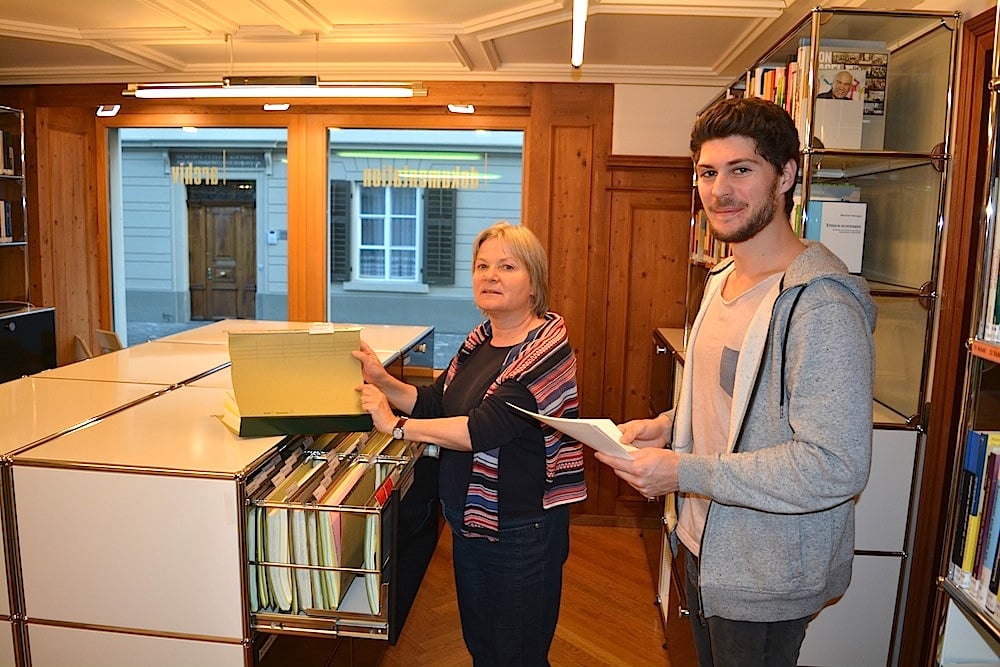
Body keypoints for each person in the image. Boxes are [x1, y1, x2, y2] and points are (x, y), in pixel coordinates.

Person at [596, 96, 876, 667]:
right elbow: (736, 404)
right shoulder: (721, 278)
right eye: (707, 172)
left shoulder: (820, 304)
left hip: (765, 574)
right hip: (703, 544)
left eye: (741, 170)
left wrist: (683, 471)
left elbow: (836, 464)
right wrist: (668, 428)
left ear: (786, 176)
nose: (719, 189)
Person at [354, 220, 585, 666]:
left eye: (507, 266)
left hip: (522, 531)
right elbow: (437, 402)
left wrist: (396, 426)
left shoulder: (546, 352)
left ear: (534, 283)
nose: (490, 275)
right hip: (471, 524)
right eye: (482, 265)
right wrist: (382, 380)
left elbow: (480, 429)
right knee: (483, 649)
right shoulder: (480, 342)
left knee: (519, 657)